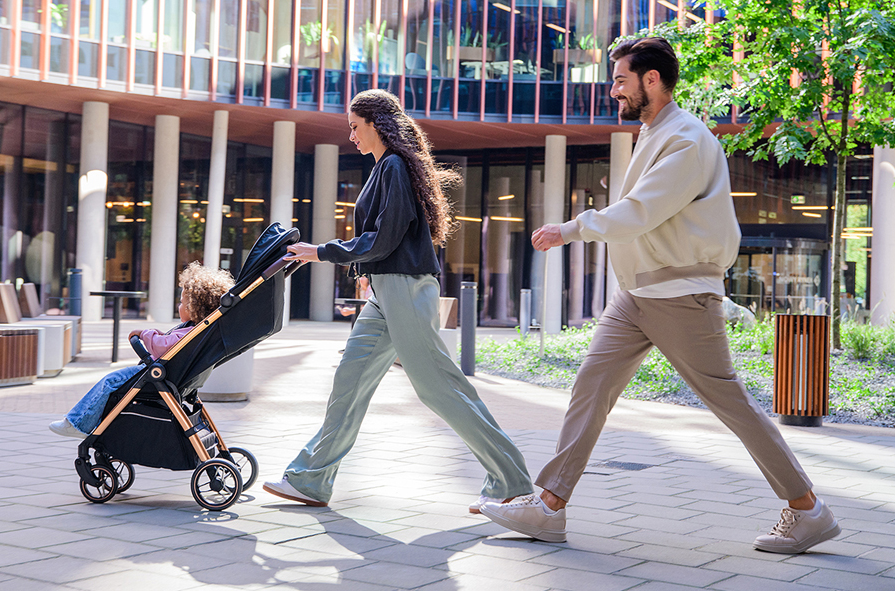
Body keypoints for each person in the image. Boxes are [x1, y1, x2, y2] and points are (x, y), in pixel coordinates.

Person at [480, 37, 841, 554]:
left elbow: (641, 211)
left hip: (678, 294)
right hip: (638, 295)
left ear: (652, 80)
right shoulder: (656, 134)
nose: (613, 90)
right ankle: (549, 507)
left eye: (621, 79)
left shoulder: (686, 139)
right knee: (591, 386)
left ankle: (808, 509)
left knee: (730, 402)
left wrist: (572, 229)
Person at [262, 89, 534, 512]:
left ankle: (511, 481)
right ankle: (311, 479)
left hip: (405, 290)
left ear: (376, 123)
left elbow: (384, 239)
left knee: (439, 389)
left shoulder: (392, 166)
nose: (351, 136)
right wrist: (364, 274)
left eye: (355, 127)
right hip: (386, 293)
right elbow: (383, 243)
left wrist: (323, 251)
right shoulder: (385, 168)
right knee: (349, 380)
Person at [49, 262, 234, 438]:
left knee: (110, 382)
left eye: (181, 303)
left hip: (157, 377)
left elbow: (161, 346)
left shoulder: (191, 331)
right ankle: (93, 423)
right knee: (113, 386)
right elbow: (170, 343)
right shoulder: (198, 330)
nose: (178, 307)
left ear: (194, 307)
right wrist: (157, 334)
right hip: (173, 378)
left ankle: (78, 424)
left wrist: (145, 334)